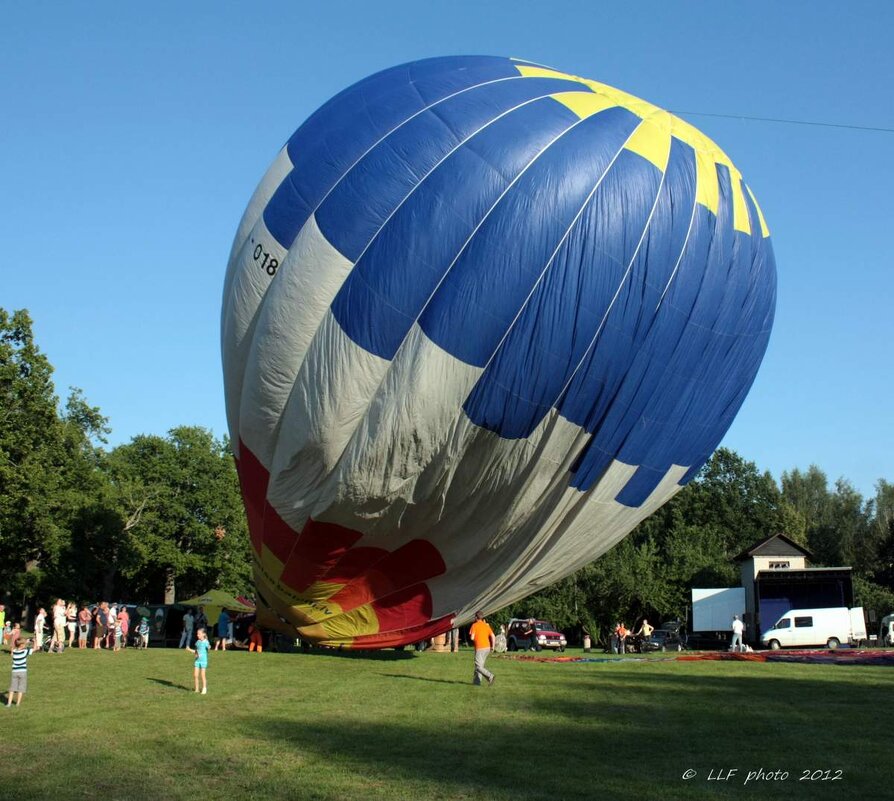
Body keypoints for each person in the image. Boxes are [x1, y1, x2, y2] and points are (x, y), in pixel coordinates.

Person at [469, 610, 495, 686]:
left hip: (480, 648)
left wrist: (473, 636)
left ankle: (491, 676)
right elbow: (493, 636)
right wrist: (492, 647)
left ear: (476, 617)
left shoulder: (474, 625)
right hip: (487, 647)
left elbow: (472, 638)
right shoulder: (486, 625)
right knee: (480, 665)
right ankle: (477, 683)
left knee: (478, 666)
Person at [7, 638, 33, 707]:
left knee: (12, 688)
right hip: (23, 672)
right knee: (21, 688)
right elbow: (35, 648)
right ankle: (17, 704)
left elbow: (13, 648)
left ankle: (9, 704)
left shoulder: (14, 652)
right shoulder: (25, 652)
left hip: (14, 672)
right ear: (22, 645)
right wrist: (34, 641)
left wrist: (24, 643)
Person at [186, 628, 210, 694]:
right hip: (197, 661)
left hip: (203, 661)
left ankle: (204, 688)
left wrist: (208, 647)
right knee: (195, 675)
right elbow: (196, 651)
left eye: (199, 634)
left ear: (203, 634)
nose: (197, 635)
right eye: (197, 634)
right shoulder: (198, 642)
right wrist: (189, 649)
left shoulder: (206, 642)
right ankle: (196, 689)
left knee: (203, 675)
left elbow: (208, 650)